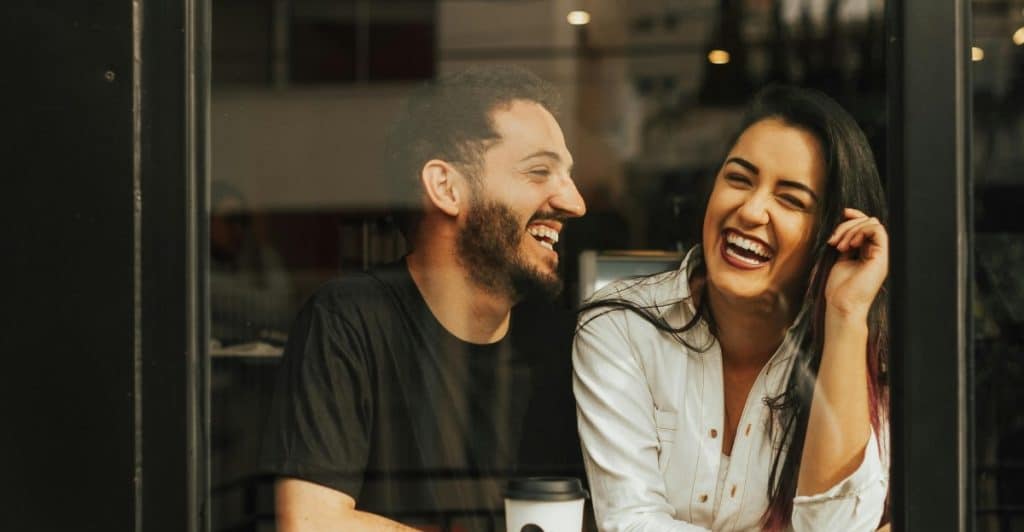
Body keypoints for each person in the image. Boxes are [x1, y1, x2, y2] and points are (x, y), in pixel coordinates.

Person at [260, 66, 587, 531]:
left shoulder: (560, 342)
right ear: (446, 187)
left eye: (567, 176)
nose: (575, 202)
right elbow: (312, 523)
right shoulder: (351, 318)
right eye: (539, 171)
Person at [573, 86, 889, 531]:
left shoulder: (866, 357)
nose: (751, 209)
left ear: (832, 235)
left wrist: (844, 314)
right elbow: (632, 524)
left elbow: (836, 526)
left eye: (791, 199)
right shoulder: (620, 325)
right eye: (739, 179)